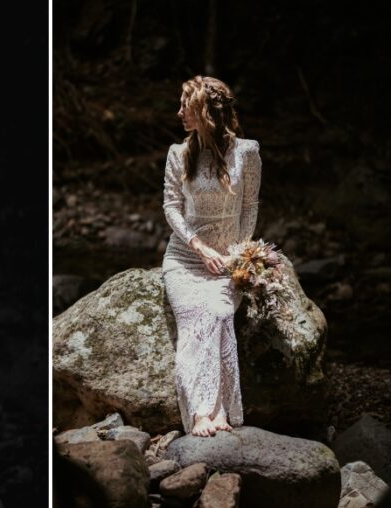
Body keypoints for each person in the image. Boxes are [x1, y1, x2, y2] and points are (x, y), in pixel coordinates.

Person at [162, 76, 262, 437]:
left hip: (226, 260)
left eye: (185, 106)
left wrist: (239, 255)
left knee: (219, 314)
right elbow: (171, 208)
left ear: (204, 111)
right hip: (185, 259)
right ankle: (203, 412)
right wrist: (199, 247)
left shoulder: (247, 152)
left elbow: (249, 206)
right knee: (194, 318)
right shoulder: (178, 153)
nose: (178, 113)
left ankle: (220, 408)